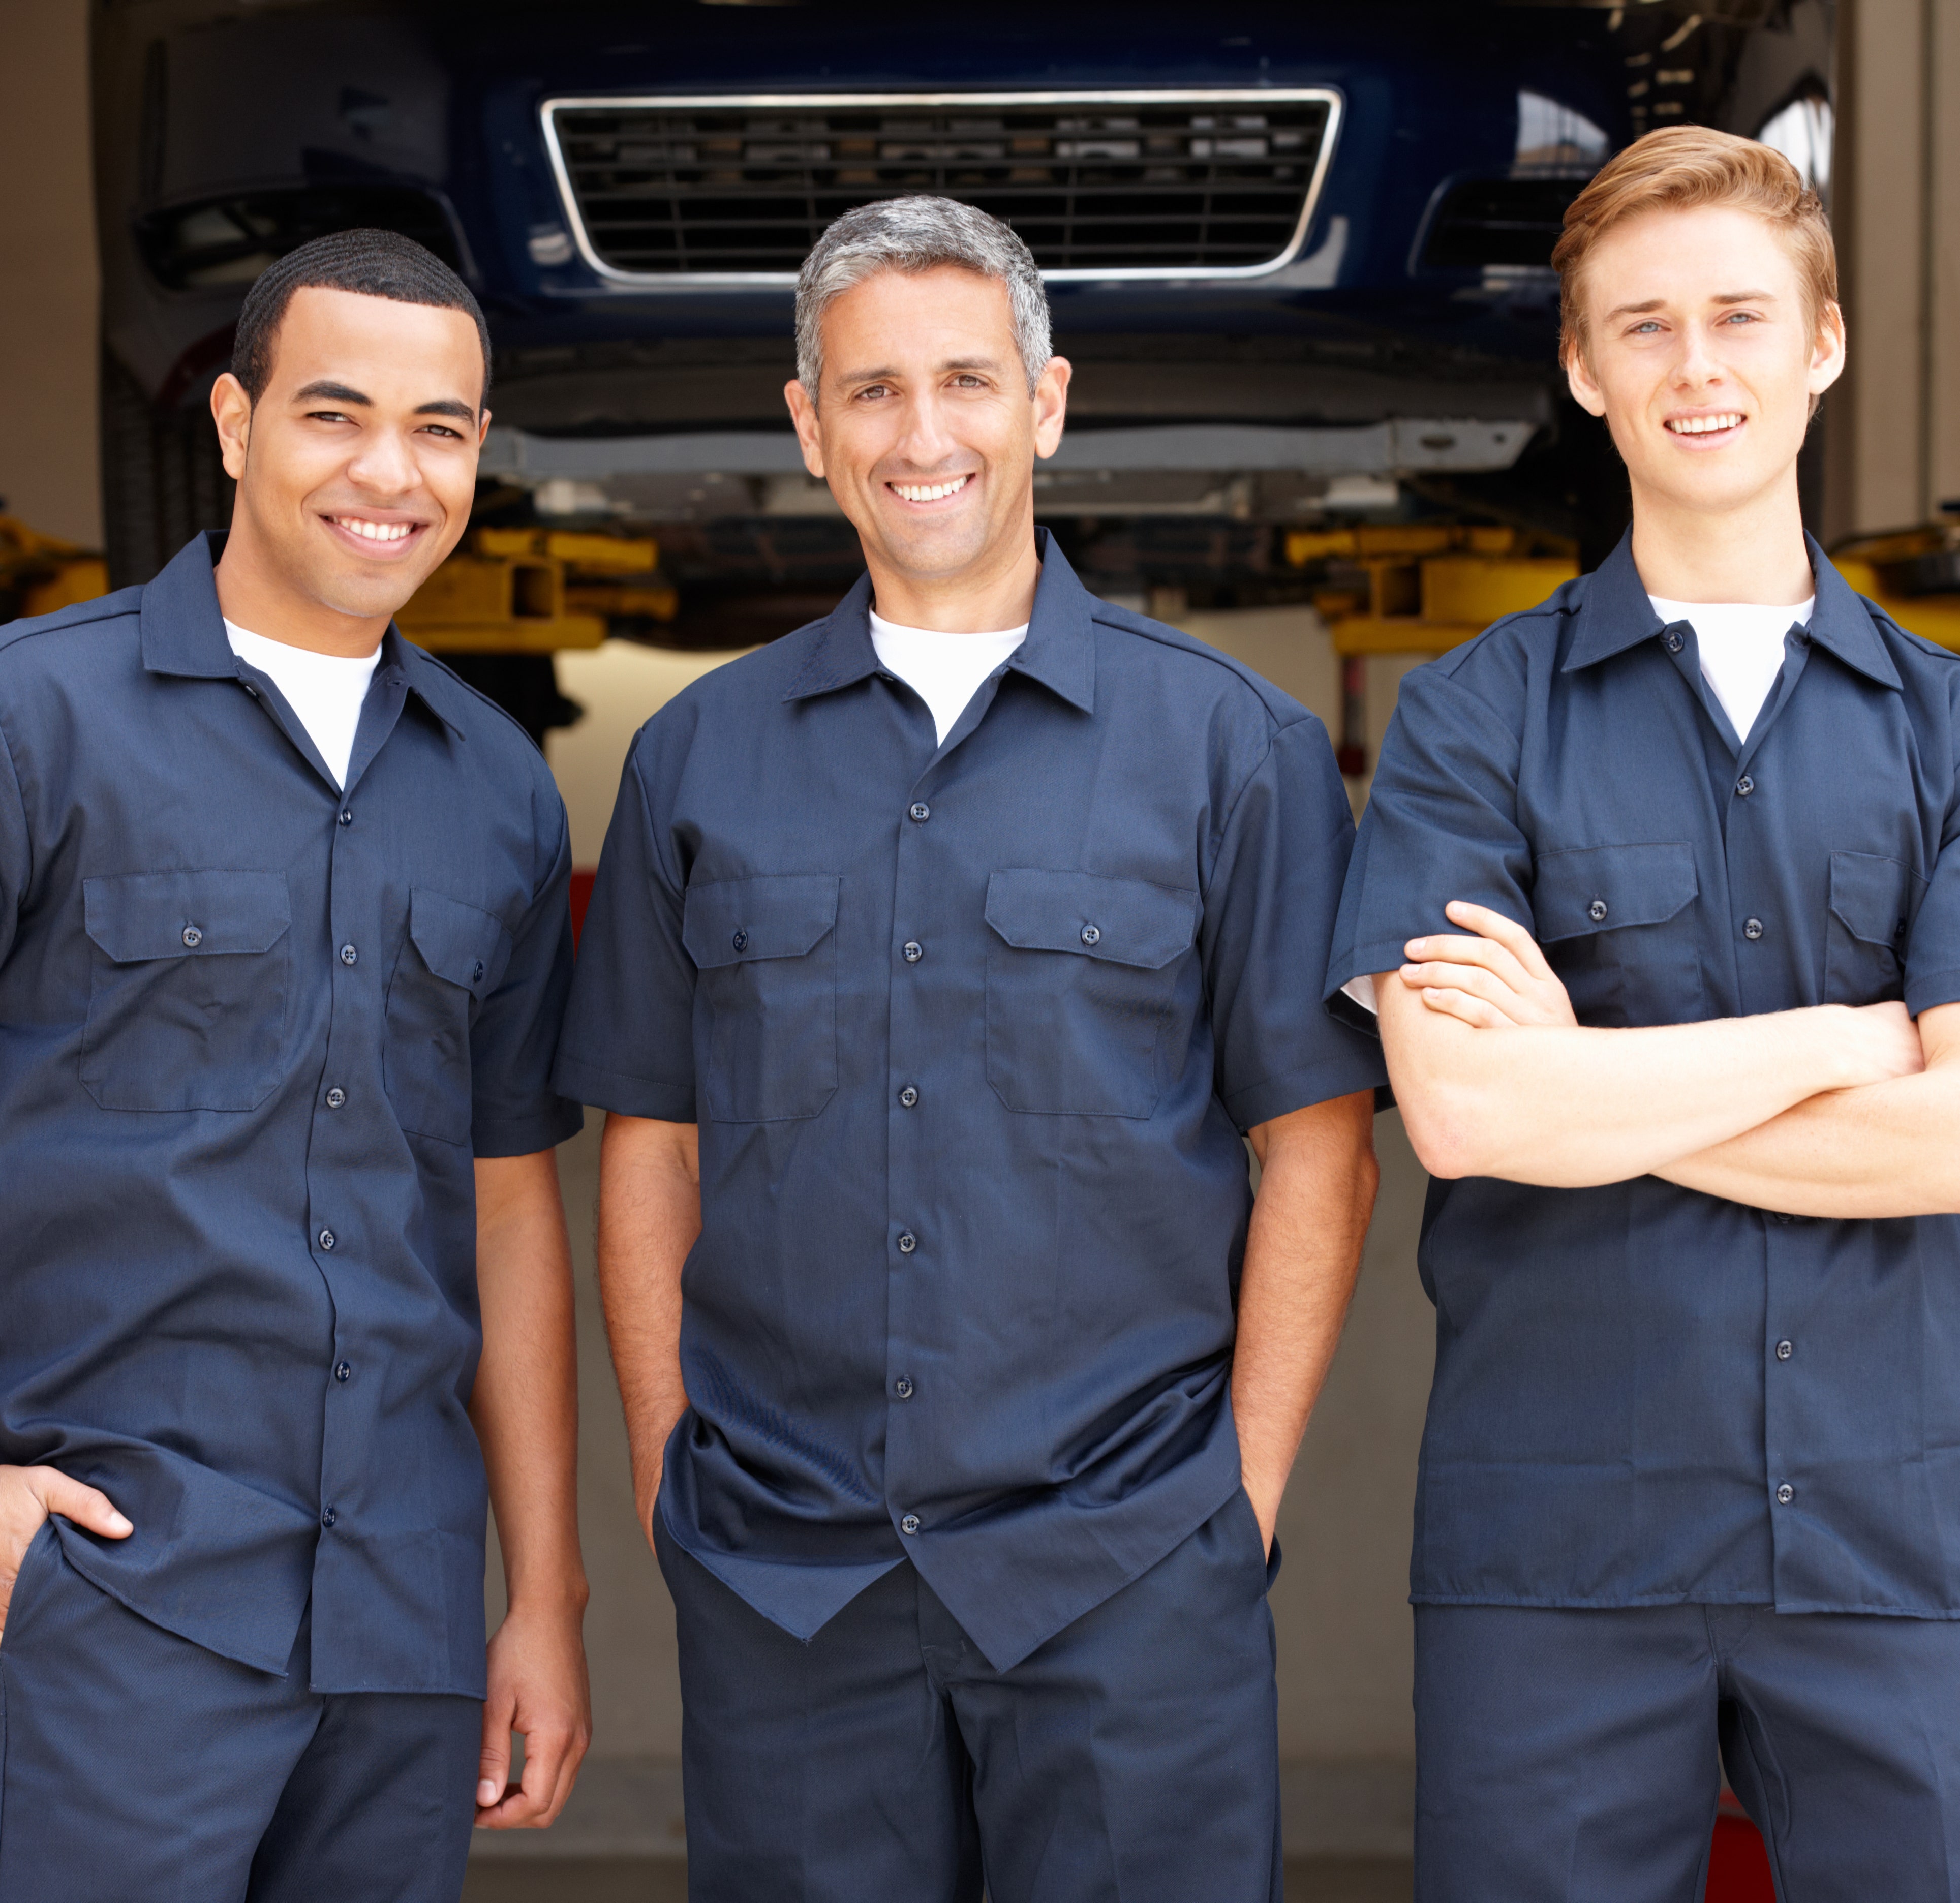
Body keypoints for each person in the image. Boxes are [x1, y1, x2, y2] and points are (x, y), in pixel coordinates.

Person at [0, 229, 592, 1901]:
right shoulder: (16, 721)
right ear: (231, 423)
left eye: (441, 430)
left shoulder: (497, 790)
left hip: (401, 1617)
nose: (389, 474)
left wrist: (543, 1601)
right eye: (335, 415)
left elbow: (505, 1208)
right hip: (125, 1594)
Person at [557, 194, 1386, 1900]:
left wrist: (1245, 1495)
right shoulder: (696, 759)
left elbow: (1317, 1141)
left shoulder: (1235, 751)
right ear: (808, 427)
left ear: (1048, 404)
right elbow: (649, 1141)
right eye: (869, 392)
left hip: (1131, 1573)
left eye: (967, 382)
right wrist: (664, 1473)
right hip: (789, 1584)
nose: (921, 434)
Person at [1326, 126, 1960, 1901]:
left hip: (1895, 1555)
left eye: (1739, 317)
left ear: (1819, 343)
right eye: (1643, 328)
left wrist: (1592, 1078)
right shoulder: (1470, 726)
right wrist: (1847, 1038)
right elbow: (1473, 1120)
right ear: (1584, 370)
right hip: (1559, 1561)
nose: (1697, 367)